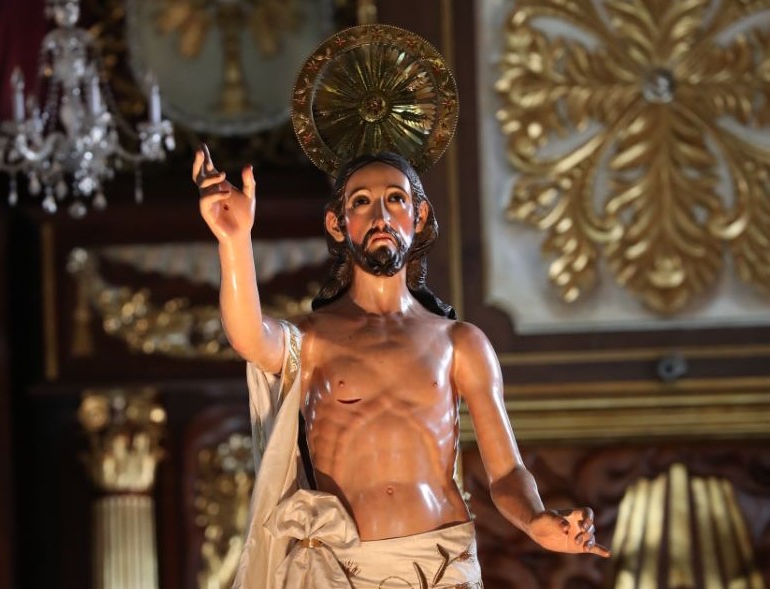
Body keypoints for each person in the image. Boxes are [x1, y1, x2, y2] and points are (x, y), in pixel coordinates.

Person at [193, 145, 609, 589]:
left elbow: (505, 472)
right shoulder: (311, 340)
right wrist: (235, 241)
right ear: (337, 224)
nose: (381, 215)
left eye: (396, 199)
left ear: (420, 216)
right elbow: (249, 336)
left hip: (440, 564)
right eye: (361, 201)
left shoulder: (459, 343)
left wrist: (535, 519)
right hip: (340, 570)